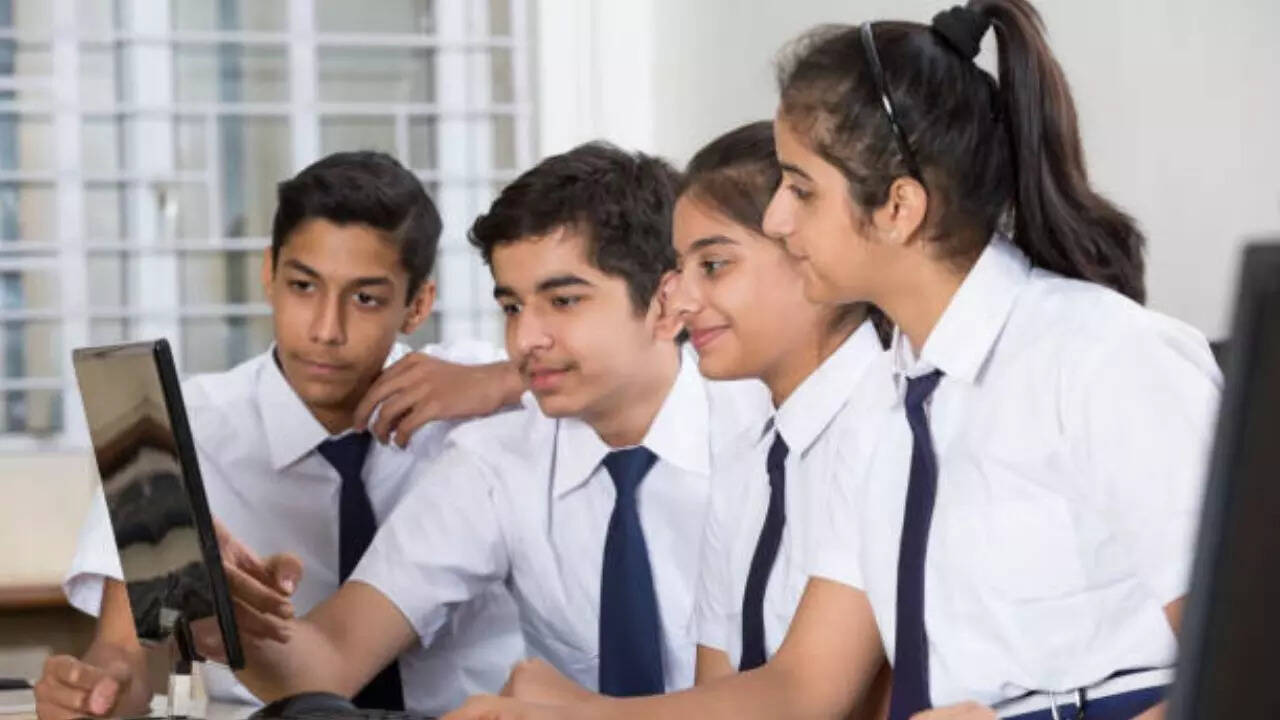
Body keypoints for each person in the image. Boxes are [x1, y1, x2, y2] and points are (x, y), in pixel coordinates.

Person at [447, 2, 1221, 719]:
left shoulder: (1101, 358)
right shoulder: (895, 405)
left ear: (898, 208)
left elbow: (1250, 665)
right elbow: (802, 685)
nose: (778, 219)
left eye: (800, 190)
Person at [216, 142, 767, 705]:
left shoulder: (766, 438)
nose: (525, 340)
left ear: (666, 304)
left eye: (564, 301)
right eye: (512, 307)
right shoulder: (494, 462)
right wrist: (221, 610)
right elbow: (329, 659)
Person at [35, 151, 526, 720]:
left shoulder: (478, 399)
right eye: (303, 286)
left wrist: (508, 380)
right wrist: (98, 691)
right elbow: (129, 650)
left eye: (365, 298)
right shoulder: (187, 429)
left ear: (417, 306)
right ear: (269, 274)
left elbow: (608, 374)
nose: (326, 330)